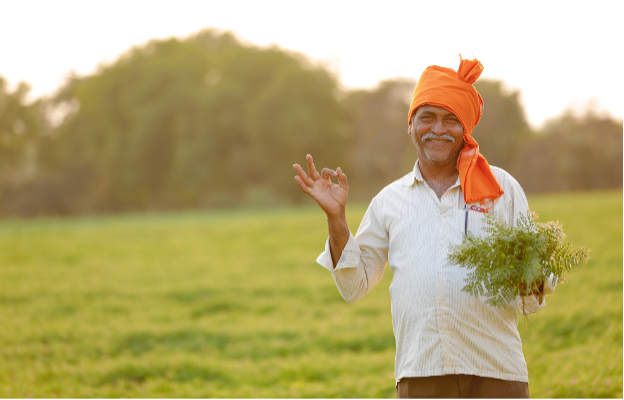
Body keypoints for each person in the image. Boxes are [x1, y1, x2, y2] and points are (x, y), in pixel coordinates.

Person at [292, 56, 556, 399]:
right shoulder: (389, 201)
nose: (438, 129)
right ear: (411, 126)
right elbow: (353, 284)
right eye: (427, 118)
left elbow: (535, 285)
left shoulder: (501, 188)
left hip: (496, 371)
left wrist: (533, 276)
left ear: (466, 129)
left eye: (451, 120)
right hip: (421, 374)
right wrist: (336, 218)